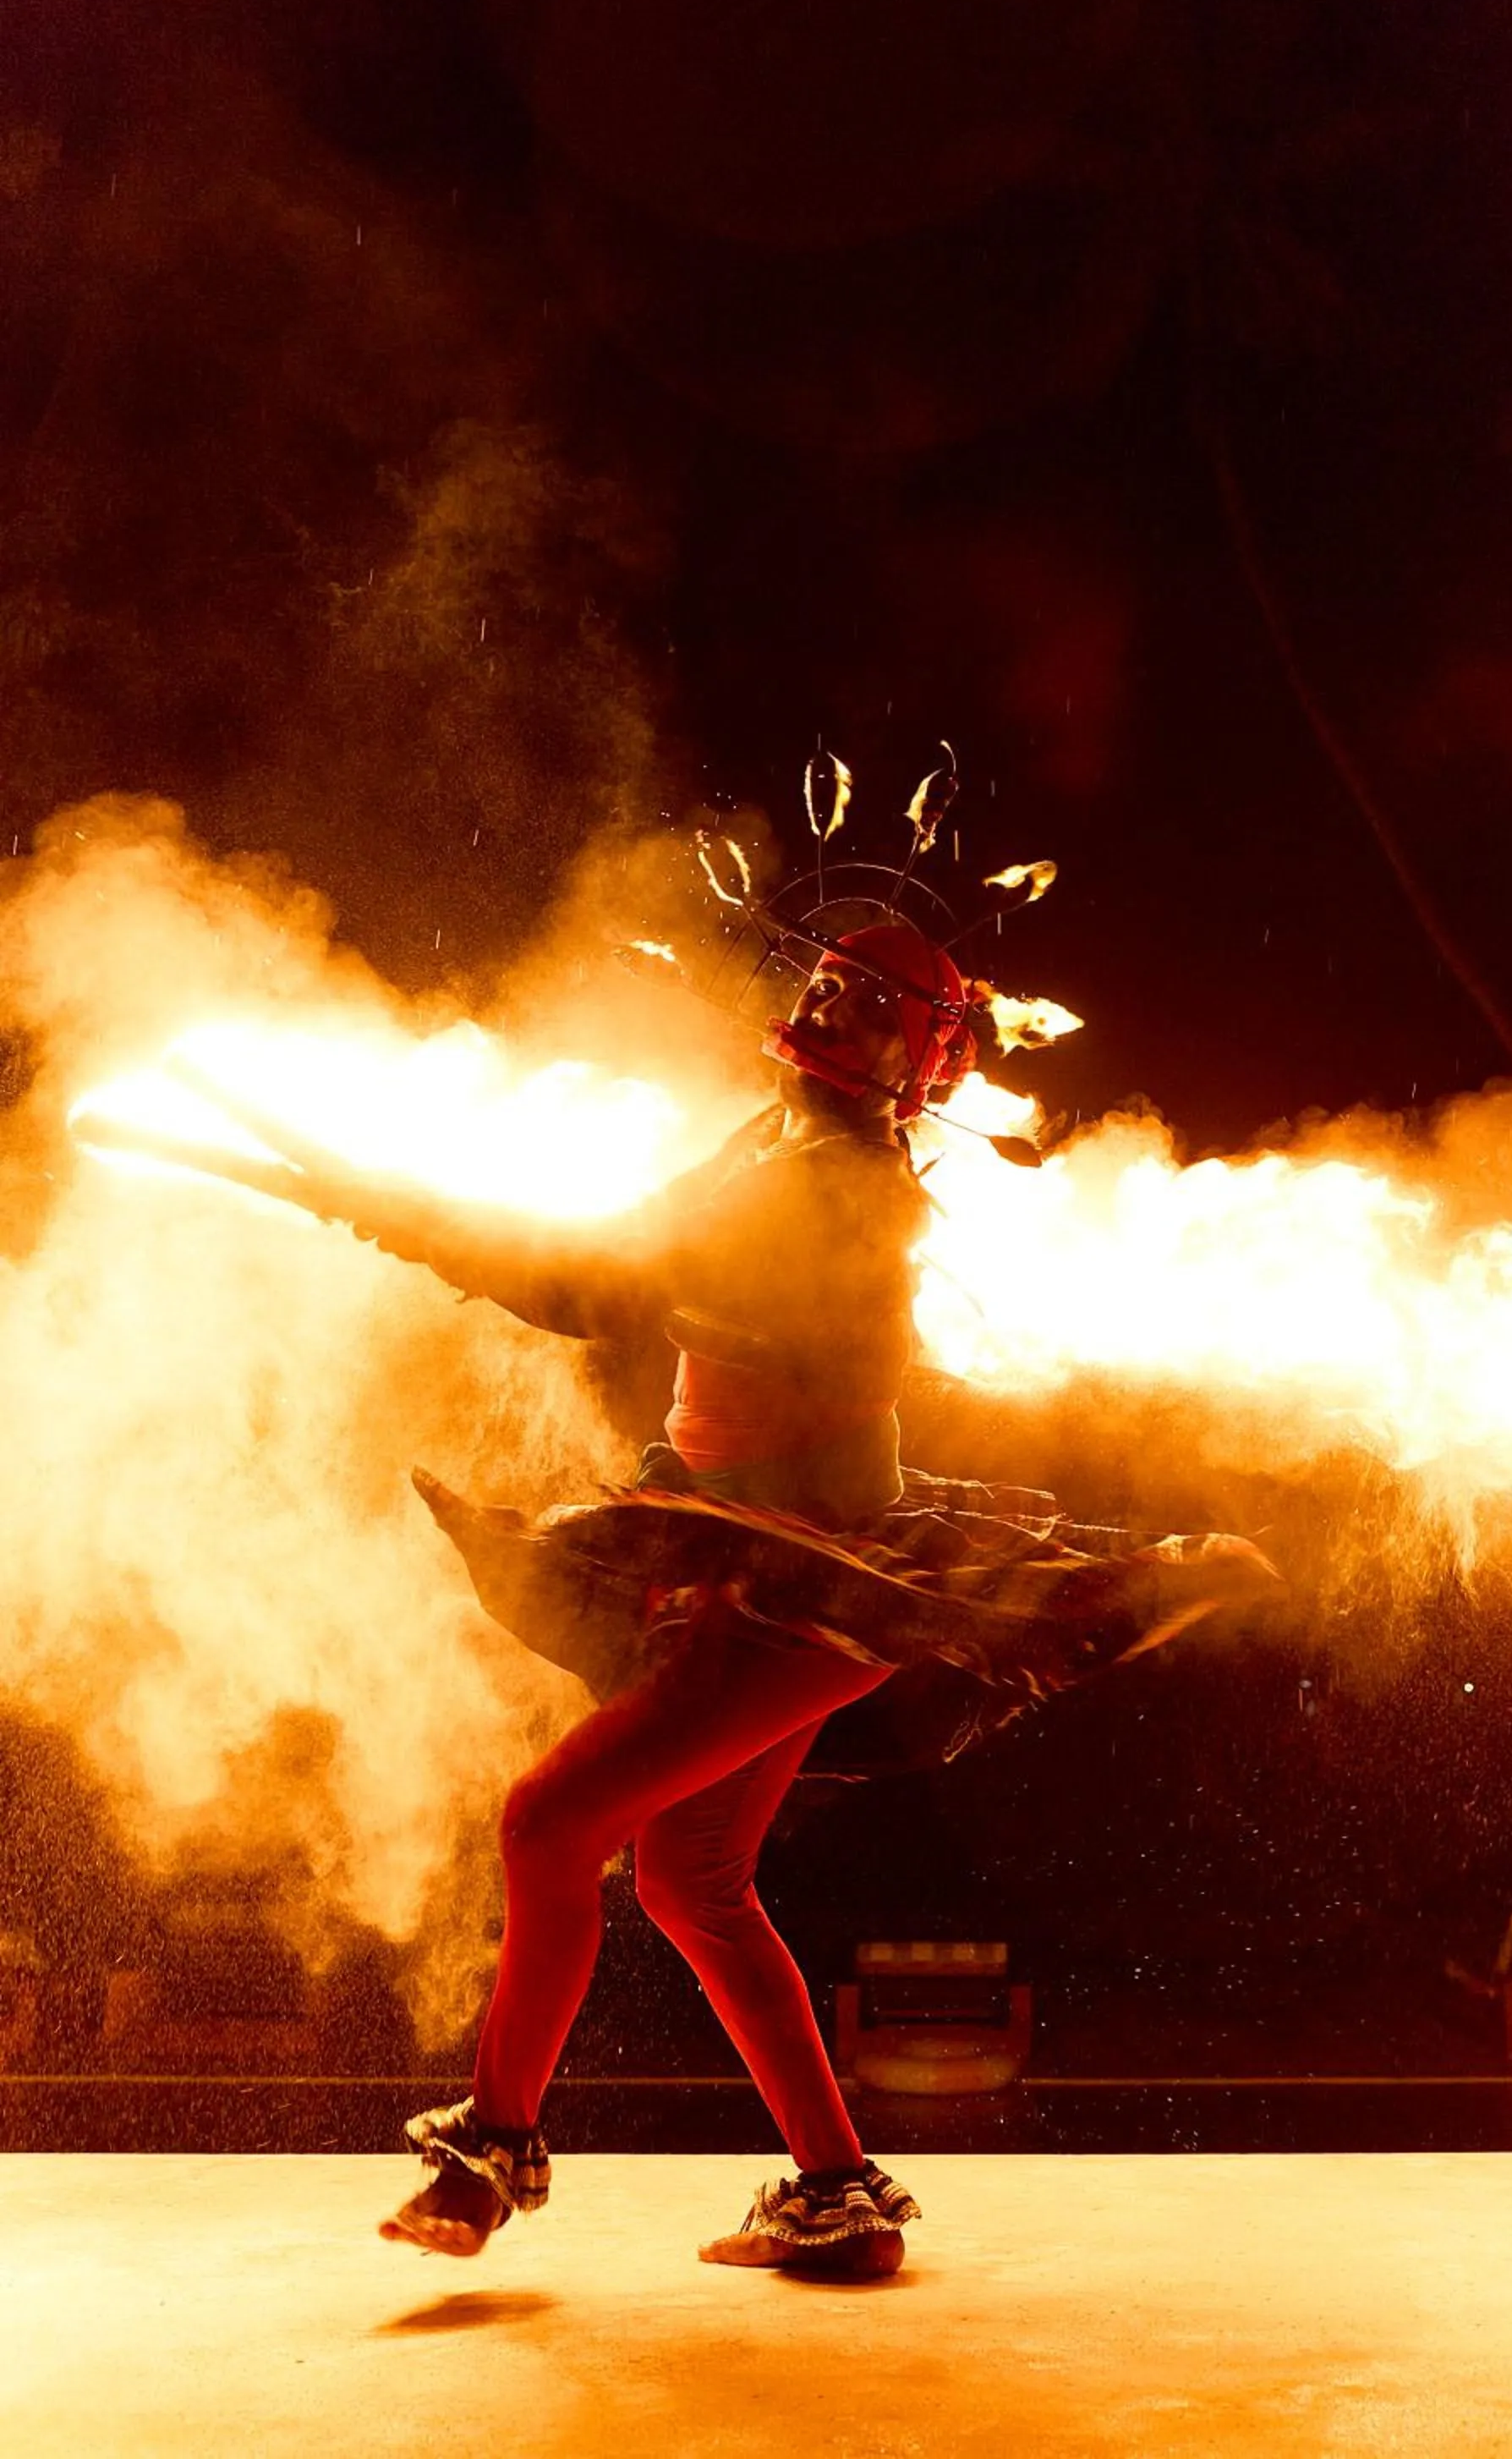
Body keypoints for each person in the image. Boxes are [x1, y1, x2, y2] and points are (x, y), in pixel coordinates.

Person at [151, 923, 1281, 2271]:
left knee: (549, 1822)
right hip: (740, 1545)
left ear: (915, 1058)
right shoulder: (779, 1138)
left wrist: (345, 1190)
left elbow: (590, 1285)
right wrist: (348, 1182)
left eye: (864, 1007)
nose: (825, 1011)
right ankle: (837, 2197)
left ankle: (491, 2159)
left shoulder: (835, 1185)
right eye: (825, 985)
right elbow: (624, 1249)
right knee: (692, 1881)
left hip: (805, 1578)